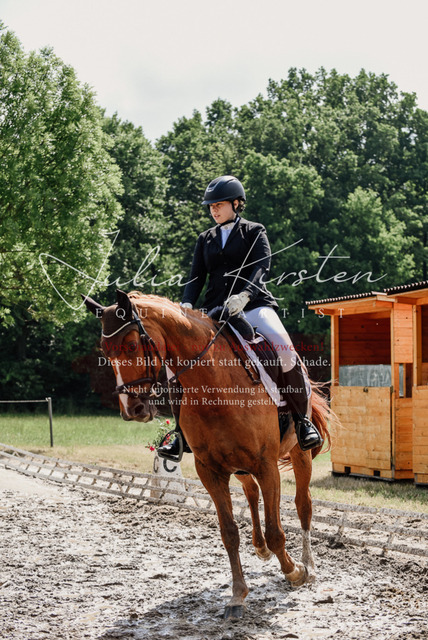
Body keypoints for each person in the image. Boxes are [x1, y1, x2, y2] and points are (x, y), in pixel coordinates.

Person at [158, 175, 323, 460]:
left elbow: (261, 267)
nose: (214, 210)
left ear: (236, 203)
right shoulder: (205, 239)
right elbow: (196, 277)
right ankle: (180, 435)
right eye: (211, 206)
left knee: (284, 350)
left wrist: (245, 295)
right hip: (213, 313)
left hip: (253, 306)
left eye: (219, 205)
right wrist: (185, 305)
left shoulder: (254, 231)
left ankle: (302, 421)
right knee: (176, 367)